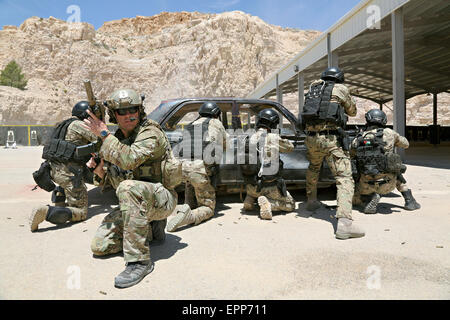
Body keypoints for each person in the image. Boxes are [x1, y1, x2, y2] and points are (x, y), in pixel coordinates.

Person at [85, 89, 182, 288]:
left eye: (133, 109)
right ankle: (152, 230)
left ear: (140, 111)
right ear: (114, 115)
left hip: (164, 198)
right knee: (100, 246)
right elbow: (117, 182)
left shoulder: (150, 132)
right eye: (122, 111)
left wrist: (104, 134)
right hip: (139, 200)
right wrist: (101, 172)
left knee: (129, 188)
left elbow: (129, 160)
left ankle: (139, 261)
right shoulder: (119, 138)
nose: (129, 115)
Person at [301, 67, 364, 240]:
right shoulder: (341, 89)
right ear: (339, 78)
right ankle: (344, 224)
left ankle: (311, 201)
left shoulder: (313, 89)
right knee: (344, 177)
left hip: (312, 138)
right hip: (330, 138)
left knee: (314, 167)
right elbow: (352, 112)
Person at [29, 101, 101, 232]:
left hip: (52, 171)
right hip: (70, 174)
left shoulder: (63, 124)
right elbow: (101, 139)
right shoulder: (80, 125)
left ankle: (60, 195)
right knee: (81, 211)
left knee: (66, 181)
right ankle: (46, 212)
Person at [167, 102, 228, 231]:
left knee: (191, 180)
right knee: (208, 207)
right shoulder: (216, 123)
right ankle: (190, 216)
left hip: (182, 168)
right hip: (200, 170)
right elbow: (225, 145)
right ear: (216, 114)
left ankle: (187, 206)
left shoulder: (190, 125)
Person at [351, 109, 421, 213]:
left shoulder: (359, 138)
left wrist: (366, 145)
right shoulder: (389, 133)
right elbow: (406, 144)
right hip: (388, 184)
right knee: (395, 170)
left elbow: (351, 153)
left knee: (354, 200)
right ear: (383, 120)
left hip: (365, 185)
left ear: (368, 120)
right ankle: (409, 201)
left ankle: (367, 200)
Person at [241, 108, 295, 220]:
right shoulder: (273, 137)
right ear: (272, 123)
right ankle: (270, 204)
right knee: (290, 205)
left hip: (251, 185)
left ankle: (250, 199)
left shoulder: (247, 137)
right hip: (269, 186)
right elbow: (290, 148)